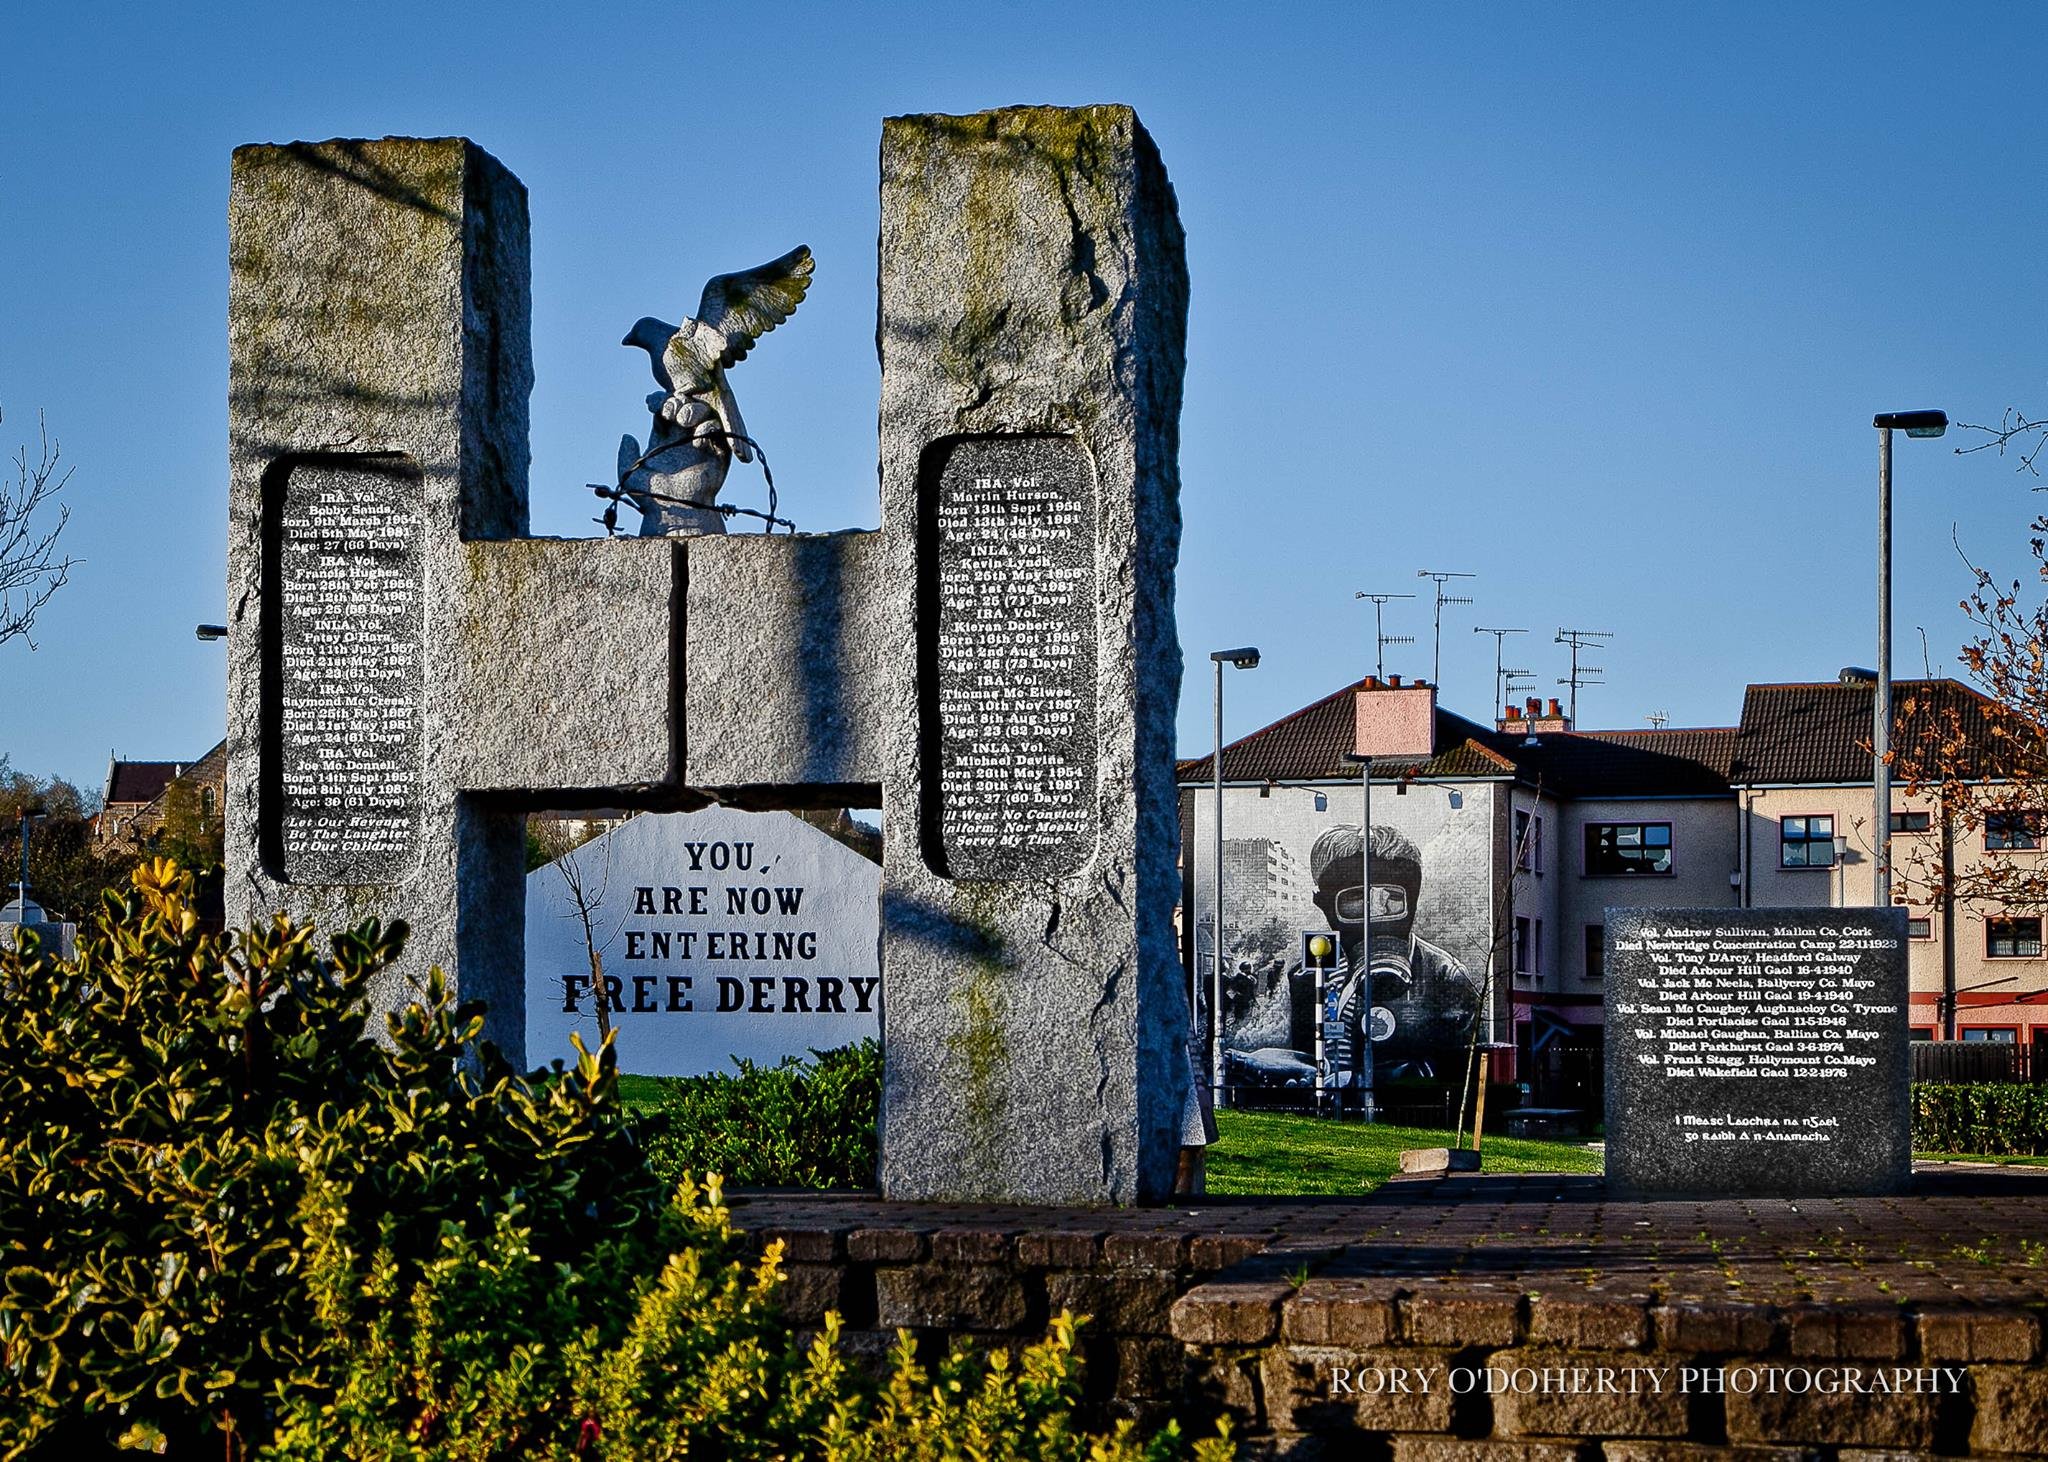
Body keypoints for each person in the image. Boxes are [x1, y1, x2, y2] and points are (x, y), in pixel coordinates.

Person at [1307, 823, 1478, 1091]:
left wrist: (1360, 1081)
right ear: (1324, 905)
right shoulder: (1312, 975)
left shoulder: (1444, 976)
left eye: (1392, 898)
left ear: (1414, 899)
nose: (1375, 914)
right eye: (1355, 900)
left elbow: (1461, 1072)